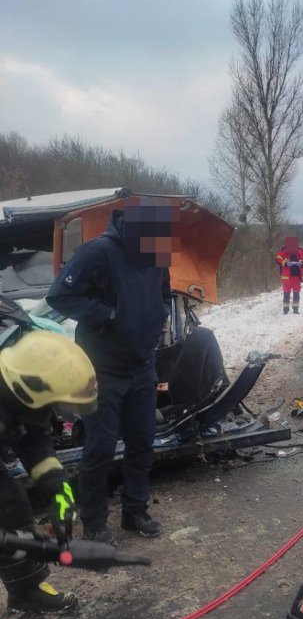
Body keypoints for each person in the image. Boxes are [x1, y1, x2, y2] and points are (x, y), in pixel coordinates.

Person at [47, 199, 172, 544]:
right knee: (100, 448)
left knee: (142, 443)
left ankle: (135, 512)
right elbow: (60, 296)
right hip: (103, 369)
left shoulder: (157, 249)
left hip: (142, 366)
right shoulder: (98, 252)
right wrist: (109, 314)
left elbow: (164, 293)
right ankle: (94, 524)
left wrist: (157, 315)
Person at [0, 331, 97, 612]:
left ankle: (26, 593)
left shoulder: (24, 401)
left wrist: (60, 492)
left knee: (12, 508)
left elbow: (37, 448)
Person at [276, 236, 303, 314]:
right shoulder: (283, 251)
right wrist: (286, 263)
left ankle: (295, 309)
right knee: (286, 293)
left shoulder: (300, 251)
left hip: (297, 277)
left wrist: (302, 262)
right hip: (287, 277)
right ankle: (286, 310)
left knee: (296, 293)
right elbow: (277, 259)